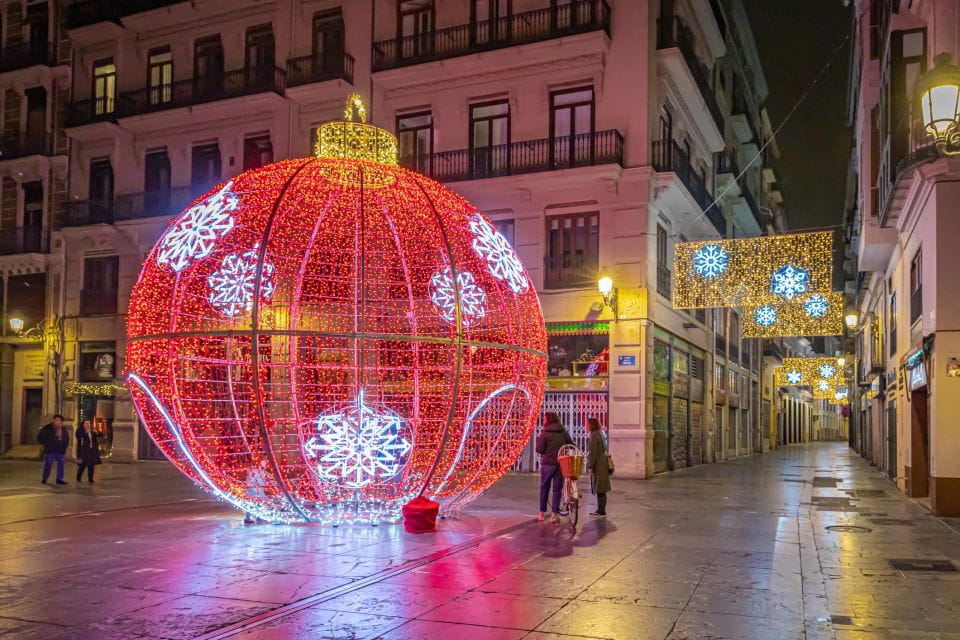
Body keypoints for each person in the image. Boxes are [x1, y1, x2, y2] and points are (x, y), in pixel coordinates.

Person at [535, 412, 573, 523]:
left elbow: (539, 449)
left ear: (548, 420)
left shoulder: (545, 433)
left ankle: (541, 513)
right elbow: (571, 445)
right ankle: (554, 515)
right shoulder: (563, 432)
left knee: (544, 488)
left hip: (547, 464)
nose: (543, 421)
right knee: (557, 489)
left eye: (544, 419)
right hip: (560, 464)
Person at [586, 417, 611, 517]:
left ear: (591, 425)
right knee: (602, 488)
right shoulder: (600, 434)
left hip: (598, 465)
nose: (586, 426)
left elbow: (593, 453)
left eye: (587, 424)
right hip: (603, 462)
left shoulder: (593, 436)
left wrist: (590, 466)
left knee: (600, 488)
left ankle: (600, 511)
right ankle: (601, 510)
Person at [38, 415, 69, 485]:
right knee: (48, 464)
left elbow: (66, 439)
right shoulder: (47, 428)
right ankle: (45, 477)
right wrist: (47, 444)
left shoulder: (63, 429)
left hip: (60, 451)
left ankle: (59, 479)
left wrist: (64, 447)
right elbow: (40, 438)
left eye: (59, 420)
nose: (57, 421)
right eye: (56, 420)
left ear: (61, 421)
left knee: (61, 465)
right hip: (50, 450)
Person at [74, 419, 101, 483]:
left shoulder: (92, 430)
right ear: (83, 424)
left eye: (89, 423)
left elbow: (101, 434)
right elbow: (79, 436)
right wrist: (86, 432)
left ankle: (90, 478)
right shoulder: (80, 430)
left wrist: (97, 432)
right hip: (84, 450)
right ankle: (78, 476)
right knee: (83, 464)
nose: (88, 425)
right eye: (86, 423)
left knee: (91, 464)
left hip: (92, 450)